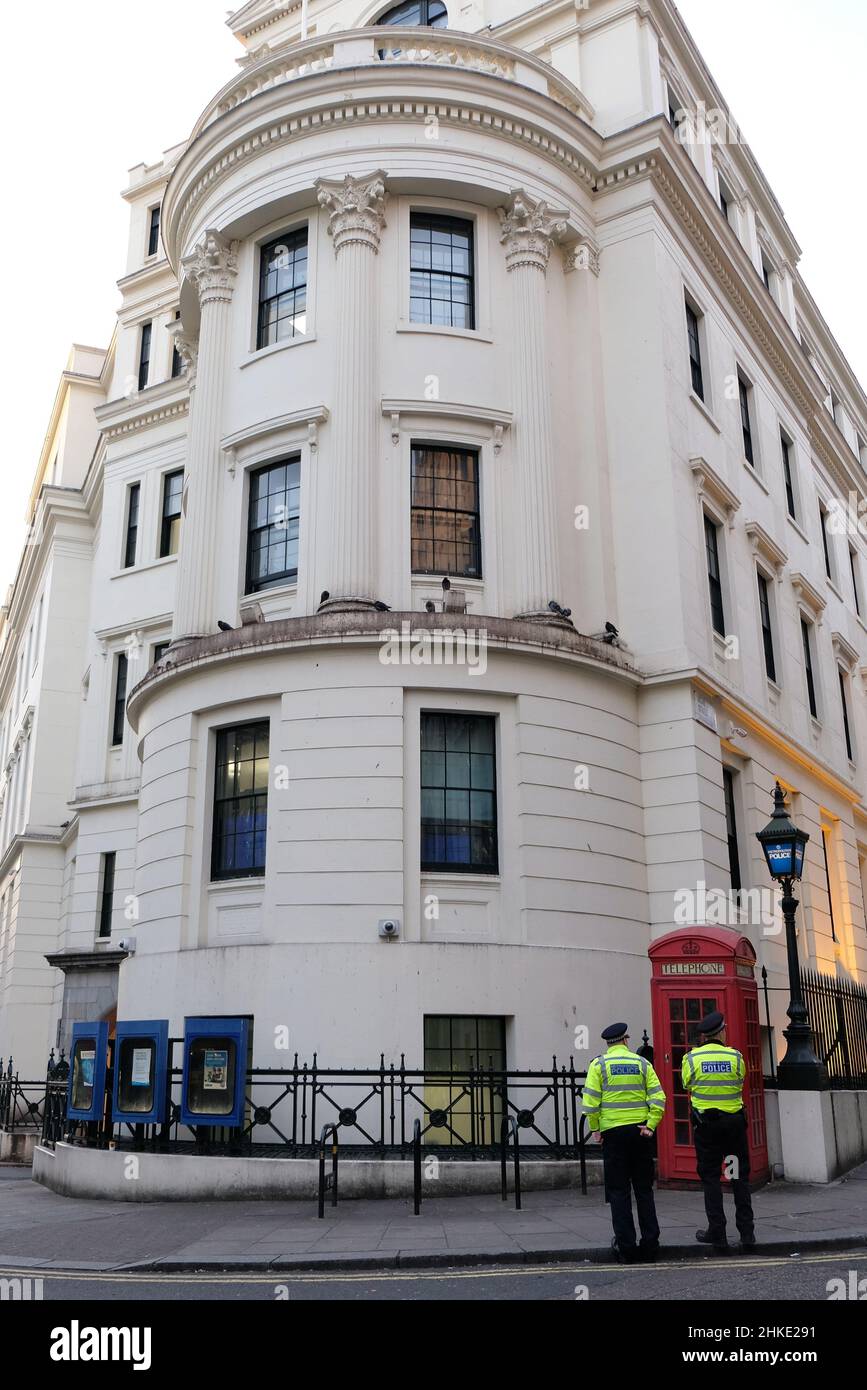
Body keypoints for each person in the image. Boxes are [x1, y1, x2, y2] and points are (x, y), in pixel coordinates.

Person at [582, 1022, 666, 1264]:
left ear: (608, 1043)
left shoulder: (599, 1065)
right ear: (626, 1040)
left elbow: (590, 1103)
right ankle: (650, 1246)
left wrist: (596, 1129)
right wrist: (650, 1125)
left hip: (613, 1136)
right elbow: (658, 1097)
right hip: (640, 1134)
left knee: (619, 1192)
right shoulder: (642, 1063)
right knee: (643, 1191)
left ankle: (626, 1248)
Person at [682, 1011, 756, 1253]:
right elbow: (740, 1080)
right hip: (733, 1129)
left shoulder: (691, 1058)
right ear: (722, 1031)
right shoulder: (735, 1057)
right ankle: (747, 1234)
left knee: (712, 1178)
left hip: (708, 1129)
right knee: (738, 1178)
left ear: (704, 1035)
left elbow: (686, 1084)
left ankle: (718, 1234)